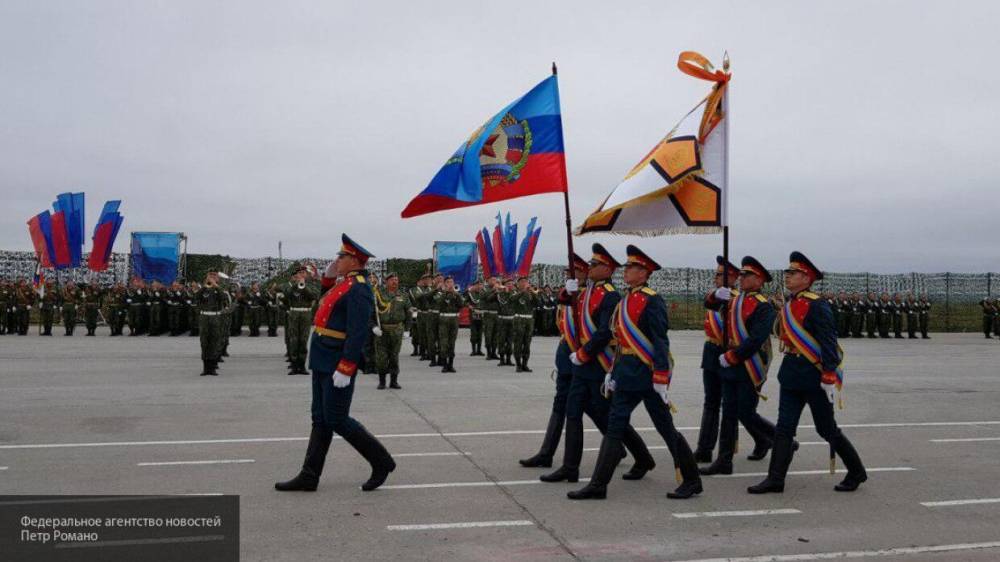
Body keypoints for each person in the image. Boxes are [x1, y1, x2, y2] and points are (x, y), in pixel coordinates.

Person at [568, 245, 701, 500]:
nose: (626, 271)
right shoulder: (625, 299)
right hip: (627, 374)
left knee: (666, 429)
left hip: (648, 376)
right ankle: (598, 484)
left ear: (644, 272)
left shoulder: (652, 300)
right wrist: (613, 372)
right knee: (615, 427)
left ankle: (692, 479)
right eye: (627, 267)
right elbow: (620, 341)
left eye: (631, 267)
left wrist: (661, 378)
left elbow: (660, 341)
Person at [275, 234, 396, 493]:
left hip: (337, 361)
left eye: (341, 256)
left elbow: (358, 331)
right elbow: (325, 300)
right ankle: (309, 475)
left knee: (337, 418)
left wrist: (347, 366)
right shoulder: (345, 283)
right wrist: (328, 277)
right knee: (320, 418)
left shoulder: (360, 288)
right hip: (322, 357)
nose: (337, 259)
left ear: (354, 260)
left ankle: (381, 461)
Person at [748, 251, 867, 494]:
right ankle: (775, 479)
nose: (788, 277)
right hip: (791, 375)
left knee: (826, 429)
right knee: (784, 428)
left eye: (793, 273)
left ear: (807, 277)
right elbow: (782, 334)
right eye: (788, 273)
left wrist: (829, 374)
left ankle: (856, 471)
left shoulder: (817, 305)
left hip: (814, 377)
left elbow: (829, 342)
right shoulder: (790, 303)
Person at [543, 244, 655, 488]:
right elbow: (567, 305)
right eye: (590, 265)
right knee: (573, 412)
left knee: (608, 417)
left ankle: (642, 457)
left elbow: (605, 332)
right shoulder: (587, 291)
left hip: (597, 363)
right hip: (582, 365)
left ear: (607, 269)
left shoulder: (610, 295)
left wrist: (584, 353)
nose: (590, 268)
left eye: (594, 265)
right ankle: (570, 467)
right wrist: (566, 292)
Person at [700, 256, 783, 476]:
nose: (742, 278)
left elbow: (756, 339)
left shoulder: (763, 306)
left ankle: (781, 441)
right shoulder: (734, 300)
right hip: (730, 363)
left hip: (749, 364)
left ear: (759, 280)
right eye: (742, 274)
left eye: (747, 275)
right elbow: (709, 305)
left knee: (746, 413)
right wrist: (716, 295)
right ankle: (724, 460)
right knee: (728, 412)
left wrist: (733, 357)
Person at [520, 254, 588, 468]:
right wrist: (570, 291)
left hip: (584, 361)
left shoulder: (588, 297)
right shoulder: (570, 295)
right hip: (566, 360)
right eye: (568, 273)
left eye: (573, 273)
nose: (569, 276)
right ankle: (546, 453)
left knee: (600, 411)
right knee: (560, 405)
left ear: (584, 274)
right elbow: (562, 304)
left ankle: (632, 450)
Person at [693, 256, 739, 464]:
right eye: (716, 273)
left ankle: (763, 438)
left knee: (732, 405)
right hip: (712, 352)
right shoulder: (717, 295)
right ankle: (704, 448)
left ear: (733, 277)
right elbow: (708, 302)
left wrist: (730, 298)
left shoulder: (739, 299)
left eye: (720, 274)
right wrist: (718, 296)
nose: (715, 277)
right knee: (710, 402)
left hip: (730, 355)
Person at [374, 272, 409, 389]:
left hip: (397, 329)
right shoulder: (378, 294)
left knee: (394, 356)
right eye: (392, 280)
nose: (395, 282)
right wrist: (373, 326)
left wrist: (407, 330)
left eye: (396, 280)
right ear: (386, 281)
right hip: (382, 330)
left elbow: (408, 312)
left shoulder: (403, 295)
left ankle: (394, 381)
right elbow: (372, 312)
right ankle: (382, 381)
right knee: (381, 357)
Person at [285, 267, 317, 375]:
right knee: (294, 339)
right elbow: (287, 295)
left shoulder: (311, 285)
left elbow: (314, 296)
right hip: (294, 313)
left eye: (303, 273)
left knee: (303, 339)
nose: (301, 275)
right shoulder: (292, 286)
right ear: (296, 275)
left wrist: (304, 287)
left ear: (307, 275)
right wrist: (296, 285)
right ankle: (294, 366)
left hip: (305, 313)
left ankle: (302, 365)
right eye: (299, 273)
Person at [195, 272, 228, 376]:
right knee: (204, 342)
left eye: (214, 277)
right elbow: (196, 297)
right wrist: (205, 286)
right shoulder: (203, 289)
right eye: (210, 277)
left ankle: (212, 368)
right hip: (204, 318)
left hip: (215, 317)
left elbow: (224, 298)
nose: (212, 279)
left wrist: (216, 286)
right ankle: (205, 368)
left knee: (214, 342)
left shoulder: (219, 290)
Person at [435, 276, 463, 373]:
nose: (450, 284)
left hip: (454, 319)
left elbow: (461, 305)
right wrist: (445, 292)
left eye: (451, 282)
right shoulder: (440, 293)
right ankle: (444, 364)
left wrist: (456, 294)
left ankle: (451, 364)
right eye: (448, 282)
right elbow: (438, 302)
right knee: (444, 342)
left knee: (452, 342)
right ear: (444, 283)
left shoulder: (456, 294)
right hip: (444, 318)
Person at [511, 275, 537, 372]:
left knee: (527, 343)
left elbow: (537, 304)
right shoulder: (514, 292)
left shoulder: (530, 293)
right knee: (518, 343)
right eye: (521, 282)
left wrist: (533, 294)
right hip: (519, 319)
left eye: (525, 281)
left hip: (529, 320)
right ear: (518, 284)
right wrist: (522, 291)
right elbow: (511, 300)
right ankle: (518, 364)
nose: (524, 283)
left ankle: (525, 364)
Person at [465, 279, 485, 356]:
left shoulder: (483, 293)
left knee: (480, 334)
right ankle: (473, 350)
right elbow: (464, 301)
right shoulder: (470, 293)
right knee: (474, 334)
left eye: (480, 285)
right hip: (473, 315)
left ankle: (479, 350)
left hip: (481, 315)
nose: (479, 286)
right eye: (477, 285)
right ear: (474, 285)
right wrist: (468, 305)